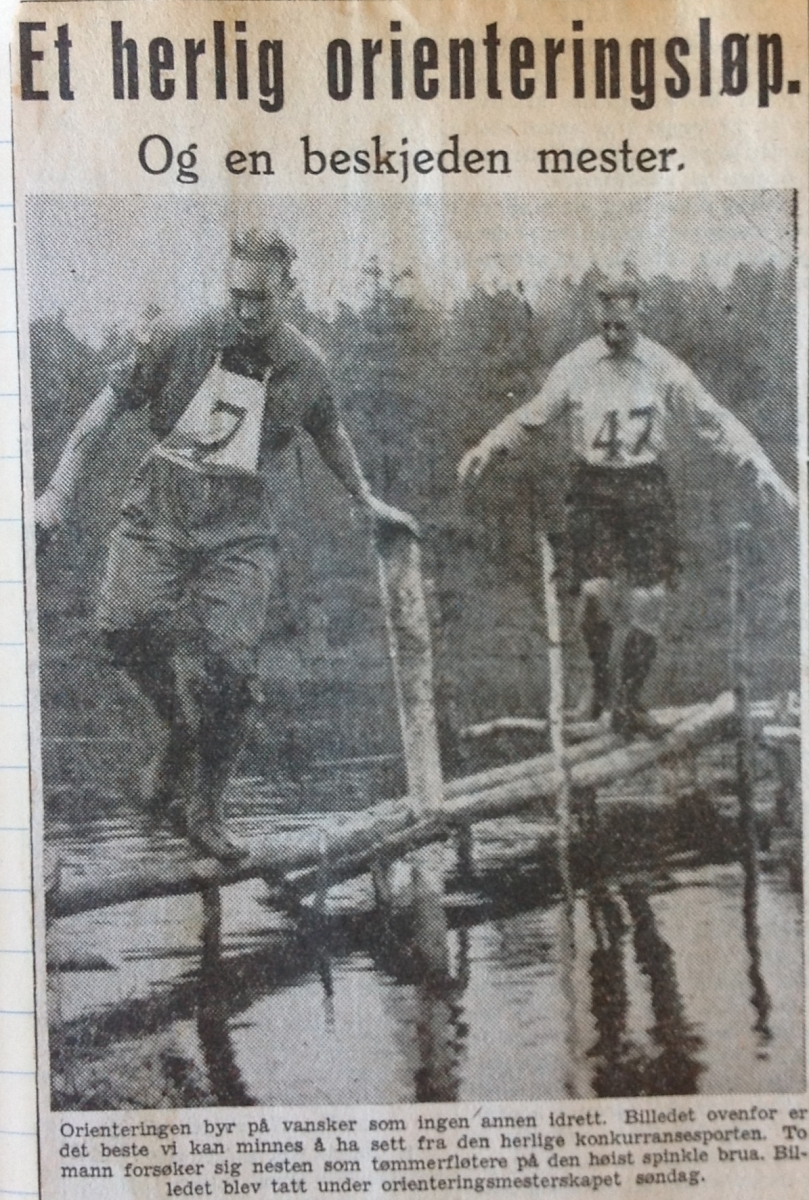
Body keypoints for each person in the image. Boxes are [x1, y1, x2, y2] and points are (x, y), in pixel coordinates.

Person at [35, 229, 417, 862]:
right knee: (121, 629)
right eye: (237, 294)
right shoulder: (181, 334)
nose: (246, 310)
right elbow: (100, 413)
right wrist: (56, 495)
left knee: (232, 672)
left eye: (260, 299)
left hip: (239, 530)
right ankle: (179, 729)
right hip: (161, 510)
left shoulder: (307, 366)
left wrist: (366, 500)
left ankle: (206, 809)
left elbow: (331, 433)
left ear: (288, 292)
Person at [458, 271, 796, 739]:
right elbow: (531, 417)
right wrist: (487, 446)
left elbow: (714, 420)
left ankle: (629, 701)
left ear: (638, 313)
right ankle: (597, 689)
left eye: (622, 326)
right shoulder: (576, 366)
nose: (614, 336)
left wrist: (761, 467)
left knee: (649, 599)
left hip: (644, 486)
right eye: (606, 327)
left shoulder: (663, 367)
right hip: (593, 484)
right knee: (594, 594)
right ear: (597, 318)